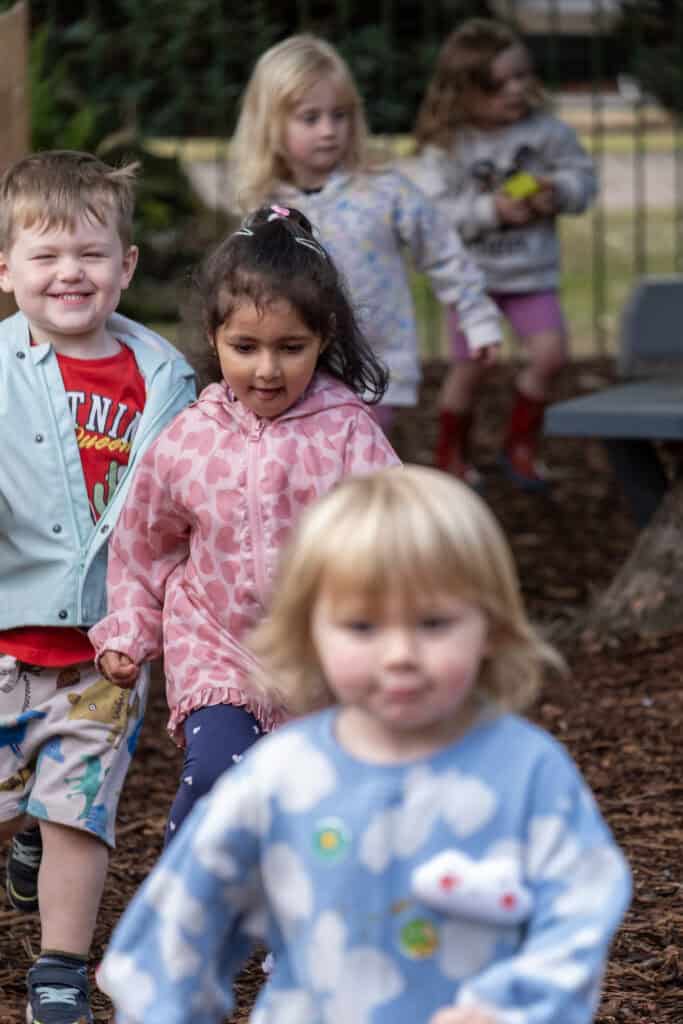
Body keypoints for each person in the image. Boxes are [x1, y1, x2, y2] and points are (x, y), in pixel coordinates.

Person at [98, 464, 631, 1024]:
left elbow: (583, 903)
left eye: (433, 623)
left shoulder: (526, 771)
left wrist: (513, 1005)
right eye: (362, 627)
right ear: (310, 634)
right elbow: (179, 925)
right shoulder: (280, 776)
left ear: (492, 627)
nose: (400, 653)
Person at [89, 205, 399, 848]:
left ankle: (299, 934)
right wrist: (129, 627)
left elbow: (398, 535)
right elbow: (145, 542)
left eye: (291, 348)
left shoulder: (348, 434)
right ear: (213, 336)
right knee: (215, 775)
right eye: (245, 347)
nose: (267, 370)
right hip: (217, 649)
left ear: (324, 338)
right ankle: (193, 917)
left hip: (322, 658)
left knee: (318, 806)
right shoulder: (188, 440)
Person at [0, 149, 196, 1024]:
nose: (68, 273)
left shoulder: (166, 381)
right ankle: (25, 835)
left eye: (89, 253)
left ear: (127, 266)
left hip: (104, 651)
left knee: (82, 809)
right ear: (7, 270)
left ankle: (60, 965)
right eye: (44, 256)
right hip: (4, 636)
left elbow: (180, 504)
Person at [230, 34, 502, 439]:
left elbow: (444, 253)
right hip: (295, 364)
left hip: (376, 363)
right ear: (270, 123)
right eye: (310, 118)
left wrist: (476, 317)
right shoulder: (263, 207)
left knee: (360, 459)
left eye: (340, 115)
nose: (329, 130)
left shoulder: (385, 191)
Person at [409, 17, 597, 490]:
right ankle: (451, 453)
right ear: (462, 90)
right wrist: (492, 209)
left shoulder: (548, 134)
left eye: (521, 76)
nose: (515, 90)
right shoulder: (448, 145)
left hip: (530, 275)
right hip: (473, 282)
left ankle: (520, 447)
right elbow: (435, 213)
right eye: (498, 84)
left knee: (550, 357)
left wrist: (558, 193)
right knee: (471, 368)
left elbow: (582, 179)